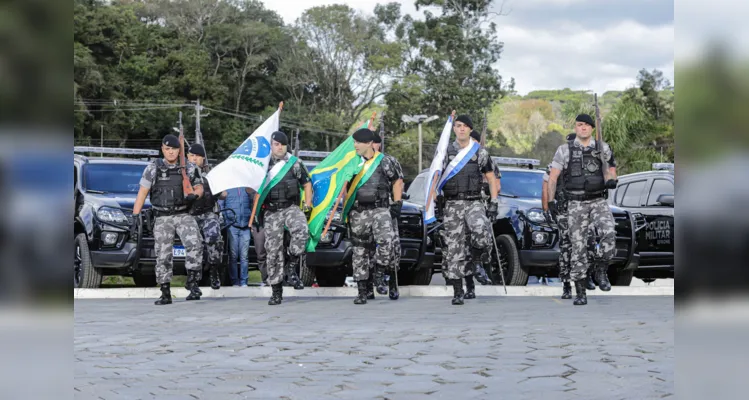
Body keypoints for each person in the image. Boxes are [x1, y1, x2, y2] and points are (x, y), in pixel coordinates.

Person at [547, 114, 618, 305]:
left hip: (598, 200)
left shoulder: (602, 148)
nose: (583, 128)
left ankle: (600, 268)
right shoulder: (564, 150)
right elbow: (553, 178)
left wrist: (611, 179)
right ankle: (580, 291)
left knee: (609, 232)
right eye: (580, 125)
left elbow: (610, 168)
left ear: (592, 128)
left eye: (587, 125)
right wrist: (551, 201)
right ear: (576, 128)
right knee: (577, 246)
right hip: (576, 203)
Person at [131, 134, 204, 305]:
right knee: (163, 255)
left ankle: (192, 281)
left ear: (179, 150)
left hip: (183, 214)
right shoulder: (153, 168)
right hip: (162, 216)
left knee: (195, 244)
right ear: (163, 150)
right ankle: (165, 291)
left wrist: (195, 195)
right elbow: (142, 194)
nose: (171, 152)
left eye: (174, 149)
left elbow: (200, 187)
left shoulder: (189, 168)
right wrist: (135, 216)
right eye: (167, 149)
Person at [436, 115, 498, 305]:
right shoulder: (445, 152)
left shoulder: (480, 152)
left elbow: (491, 177)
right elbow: (435, 177)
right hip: (452, 204)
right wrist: (434, 203)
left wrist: (494, 201)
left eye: (465, 126)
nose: (461, 129)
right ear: (454, 129)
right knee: (454, 248)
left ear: (470, 129)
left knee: (481, 233)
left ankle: (478, 261)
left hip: (474, 202)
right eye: (458, 126)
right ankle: (458, 290)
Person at [348, 128, 403, 305]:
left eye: (358, 142)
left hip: (380, 210)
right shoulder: (352, 163)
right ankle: (363, 291)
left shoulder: (385, 162)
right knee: (360, 251)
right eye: (354, 142)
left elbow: (397, 181)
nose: (355, 145)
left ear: (369, 144)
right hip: (358, 212)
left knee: (387, 243)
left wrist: (397, 202)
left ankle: (381, 273)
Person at [258, 131, 312, 305]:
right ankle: (276, 290)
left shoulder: (295, 163)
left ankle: (292, 262)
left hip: (290, 207)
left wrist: (308, 204)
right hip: (271, 211)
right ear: (271, 146)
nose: (279, 147)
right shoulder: (262, 165)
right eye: (276, 144)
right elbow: (252, 188)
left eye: (282, 144)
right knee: (273, 251)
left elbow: (306, 183)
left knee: (302, 231)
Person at [187, 144, 225, 291]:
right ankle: (194, 279)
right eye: (191, 156)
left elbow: (224, 194)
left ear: (203, 158)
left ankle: (214, 270)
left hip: (208, 213)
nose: (194, 158)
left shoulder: (211, 174)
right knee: (194, 245)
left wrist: (215, 183)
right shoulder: (182, 173)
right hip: (189, 215)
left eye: (197, 156)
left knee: (214, 238)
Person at [372, 134, 403, 300]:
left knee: (392, 247)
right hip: (367, 212)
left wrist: (397, 204)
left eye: (377, 143)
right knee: (367, 248)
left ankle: (393, 283)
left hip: (387, 210)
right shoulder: (359, 163)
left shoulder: (389, 161)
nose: (375, 146)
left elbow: (398, 183)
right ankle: (369, 285)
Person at [223, 187, 253, 287]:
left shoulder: (247, 188)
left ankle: (244, 281)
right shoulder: (227, 188)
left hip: (245, 226)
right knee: (233, 256)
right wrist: (227, 221)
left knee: (244, 256)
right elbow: (222, 206)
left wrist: (251, 221)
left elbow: (253, 203)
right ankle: (234, 281)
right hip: (232, 227)